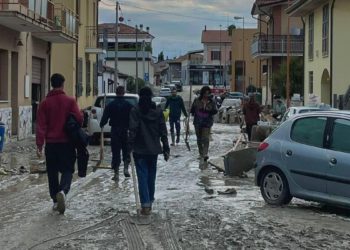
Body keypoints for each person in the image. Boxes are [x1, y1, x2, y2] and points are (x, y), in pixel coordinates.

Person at [36, 73, 83, 214]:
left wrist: (39, 145)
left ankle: (55, 200)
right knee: (68, 169)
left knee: (52, 172)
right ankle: (63, 190)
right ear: (62, 84)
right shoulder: (70, 101)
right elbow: (79, 119)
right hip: (67, 143)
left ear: (51, 84)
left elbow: (40, 126)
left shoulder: (44, 103)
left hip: (51, 144)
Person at [128, 87, 170, 216]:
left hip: (140, 149)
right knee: (151, 177)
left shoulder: (135, 111)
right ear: (151, 97)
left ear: (140, 96)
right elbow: (163, 130)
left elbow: (132, 130)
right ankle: (149, 201)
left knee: (142, 177)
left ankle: (145, 205)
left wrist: (128, 146)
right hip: (154, 150)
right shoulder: (157, 112)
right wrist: (166, 147)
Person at [100, 86, 133, 180]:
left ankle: (116, 173)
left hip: (115, 131)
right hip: (126, 131)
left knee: (116, 152)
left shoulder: (110, 105)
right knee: (126, 150)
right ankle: (126, 168)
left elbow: (104, 118)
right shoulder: (129, 105)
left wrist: (101, 124)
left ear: (116, 93)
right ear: (124, 93)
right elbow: (133, 118)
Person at [190, 86, 218, 162]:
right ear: (202, 93)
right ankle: (201, 153)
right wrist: (195, 111)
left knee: (205, 138)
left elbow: (215, 110)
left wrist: (208, 111)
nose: (206, 95)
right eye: (205, 93)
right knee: (199, 139)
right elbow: (192, 110)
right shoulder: (197, 100)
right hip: (197, 122)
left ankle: (205, 154)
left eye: (208, 93)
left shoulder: (212, 101)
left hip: (207, 122)